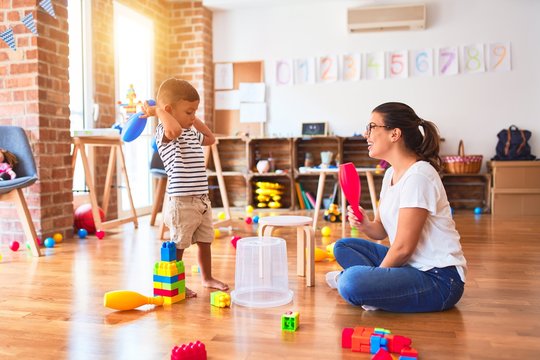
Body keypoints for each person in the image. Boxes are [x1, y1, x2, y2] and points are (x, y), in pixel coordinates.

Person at [326, 102, 466, 313]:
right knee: (343, 246)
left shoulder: (419, 176)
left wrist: (376, 279)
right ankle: (378, 285)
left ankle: (365, 285)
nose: (366, 133)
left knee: (350, 283)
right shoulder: (391, 174)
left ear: (395, 134)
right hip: (409, 266)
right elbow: (381, 230)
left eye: (372, 126)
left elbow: (402, 248)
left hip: (439, 279)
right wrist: (365, 224)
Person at [142, 78, 228, 297]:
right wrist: (159, 112)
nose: (193, 117)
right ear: (169, 110)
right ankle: (174, 283)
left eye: (194, 112)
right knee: (179, 244)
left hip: (201, 200)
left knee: (205, 241)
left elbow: (210, 138)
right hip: (182, 201)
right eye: (189, 112)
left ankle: (207, 278)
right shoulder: (165, 131)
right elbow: (174, 130)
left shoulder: (190, 131)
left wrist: (193, 118)